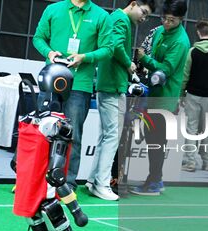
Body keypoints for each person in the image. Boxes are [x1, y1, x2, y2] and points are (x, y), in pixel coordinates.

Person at [0, 64, 88, 231]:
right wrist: (76, 210)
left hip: (29, 201)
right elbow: (56, 174)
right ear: (63, 87)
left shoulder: (30, 119)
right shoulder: (59, 125)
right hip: (48, 203)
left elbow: (16, 162)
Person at [33, 0, 113, 191]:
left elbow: (108, 49)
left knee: (73, 135)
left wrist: (85, 57)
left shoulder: (101, 16)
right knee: (42, 131)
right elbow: (38, 38)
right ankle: (34, 179)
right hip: (51, 80)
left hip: (79, 84)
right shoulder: (54, 9)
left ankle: (67, 183)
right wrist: (49, 52)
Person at [86, 0, 155, 201]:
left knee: (105, 136)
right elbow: (115, 45)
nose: (144, 18)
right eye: (143, 12)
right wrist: (129, 64)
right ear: (133, 4)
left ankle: (93, 181)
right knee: (112, 137)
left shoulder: (117, 18)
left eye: (147, 15)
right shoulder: (121, 20)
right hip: (112, 86)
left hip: (109, 83)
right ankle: (102, 183)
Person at [130, 0, 190, 196]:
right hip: (153, 93)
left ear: (181, 19)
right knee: (151, 140)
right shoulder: (159, 32)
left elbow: (167, 68)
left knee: (157, 141)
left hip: (165, 99)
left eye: (171, 20)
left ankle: (154, 181)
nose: (166, 22)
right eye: (164, 18)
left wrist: (144, 58)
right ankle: (156, 179)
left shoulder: (180, 41)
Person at [180, 19, 208, 173]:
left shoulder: (193, 51)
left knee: (191, 128)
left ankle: (190, 162)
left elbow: (185, 75)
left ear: (198, 32)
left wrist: (181, 92)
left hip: (193, 93)